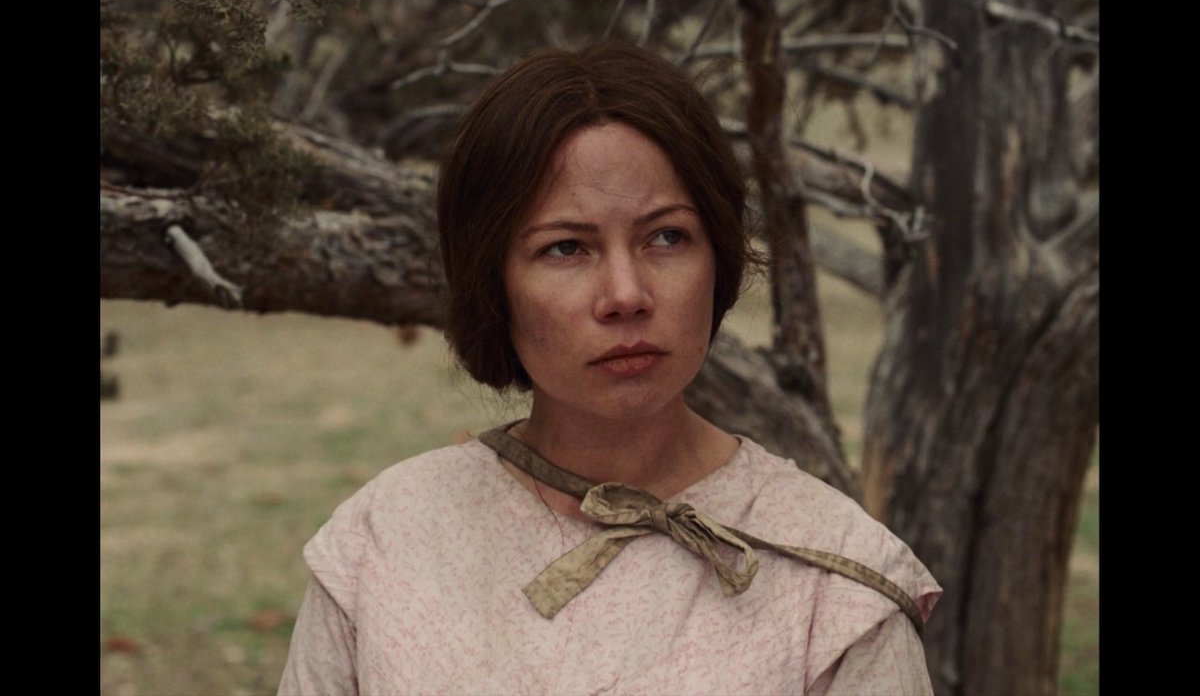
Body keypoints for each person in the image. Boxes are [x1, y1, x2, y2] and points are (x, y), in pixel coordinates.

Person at [277, 41, 941, 696]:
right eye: (566, 247)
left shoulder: (837, 584)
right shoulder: (385, 541)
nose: (626, 295)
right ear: (493, 281)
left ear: (718, 258)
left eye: (667, 237)